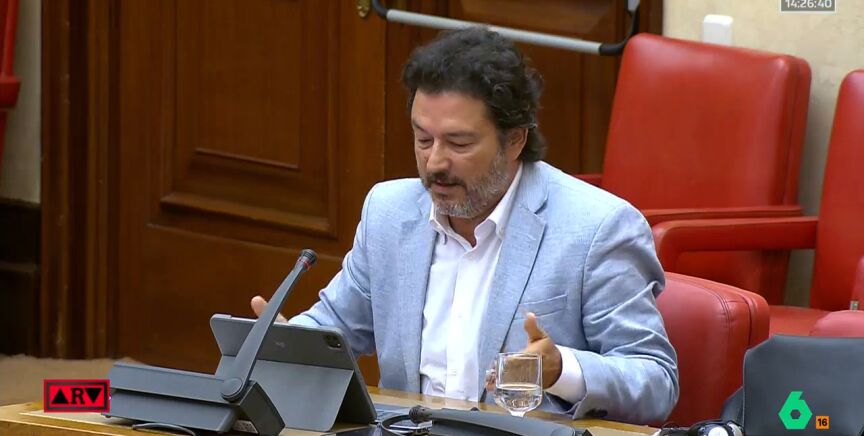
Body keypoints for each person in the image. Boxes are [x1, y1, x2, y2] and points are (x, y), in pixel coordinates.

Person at [251, 27, 678, 424]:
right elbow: (336, 326)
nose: (435, 162)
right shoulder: (388, 212)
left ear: (515, 140)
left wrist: (562, 369)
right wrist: (290, 343)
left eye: (458, 143)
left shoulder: (596, 228)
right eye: (423, 139)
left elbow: (655, 380)